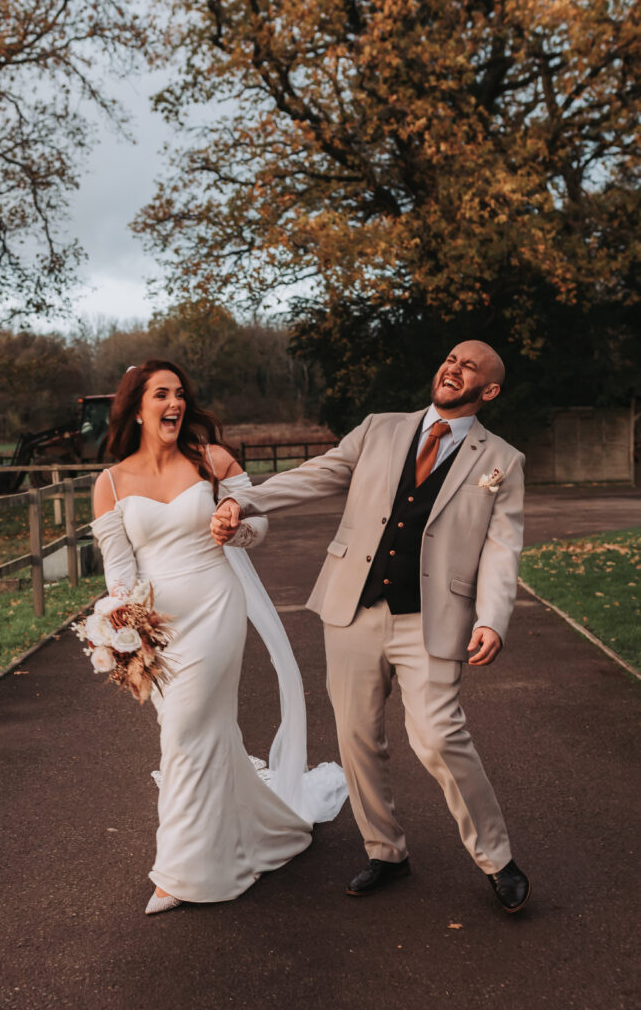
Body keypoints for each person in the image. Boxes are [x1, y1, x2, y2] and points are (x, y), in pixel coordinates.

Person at [211, 340, 531, 913]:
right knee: (357, 737)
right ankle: (385, 852)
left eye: (469, 368)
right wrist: (249, 502)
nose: (453, 368)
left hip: (434, 621)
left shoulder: (502, 460)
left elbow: (503, 548)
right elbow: (318, 474)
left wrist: (493, 620)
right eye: (450, 359)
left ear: (489, 390)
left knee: (438, 736)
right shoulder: (380, 428)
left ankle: (497, 859)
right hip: (352, 609)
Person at [91, 360, 346, 915]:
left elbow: (257, 526)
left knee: (184, 730)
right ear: (138, 408)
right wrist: (122, 621)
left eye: (180, 393)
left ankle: (180, 871)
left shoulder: (214, 461)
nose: (175, 403)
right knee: (197, 730)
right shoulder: (110, 483)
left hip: (215, 604)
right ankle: (261, 829)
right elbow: (118, 570)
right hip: (155, 624)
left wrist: (236, 526)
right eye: (162, 394)